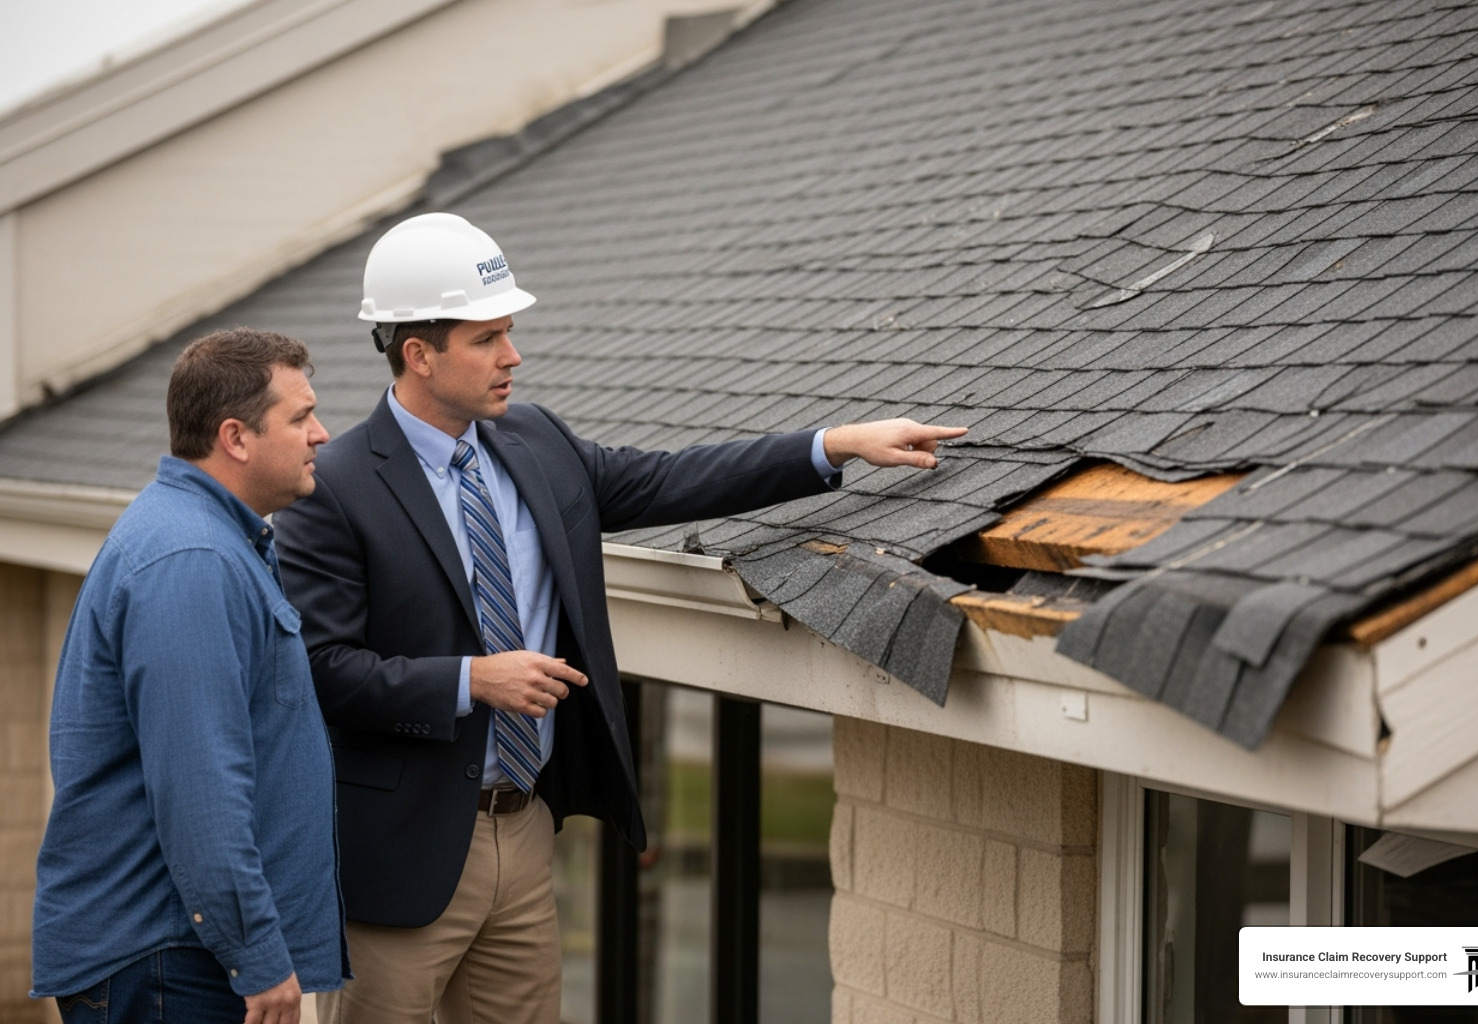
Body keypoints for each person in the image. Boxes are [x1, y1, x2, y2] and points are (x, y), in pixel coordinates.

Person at [273, 212, 965, 1024]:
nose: (513, 356)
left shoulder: (534, 439)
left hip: (523, 831)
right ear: (419, 354)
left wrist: (836, 443)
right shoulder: (337, 486)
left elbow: (672, 481)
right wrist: (472, 679)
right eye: (488, 338)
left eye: (510, 333)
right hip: (400, 852)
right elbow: (320, 670)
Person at [31, 329, 346, 1024]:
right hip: (173, 964)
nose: (321, 434)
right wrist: (257, 954)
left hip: (178, 957)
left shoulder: (208, 539)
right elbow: (200, 788)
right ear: (236, 437)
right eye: (299, 417)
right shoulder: (192, 558)